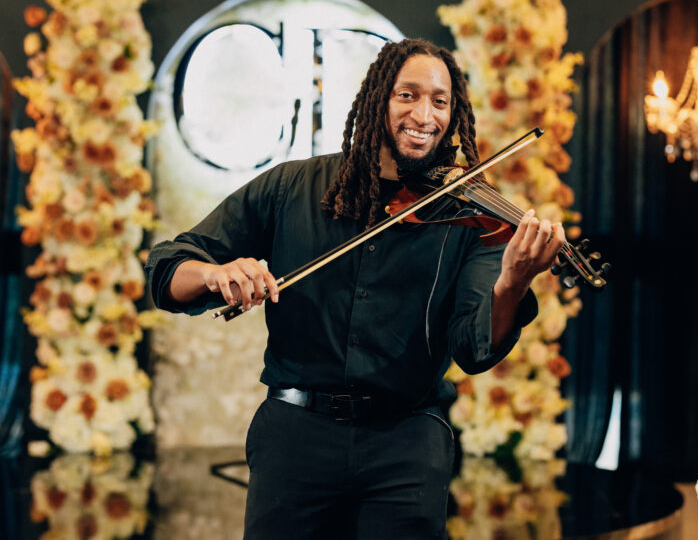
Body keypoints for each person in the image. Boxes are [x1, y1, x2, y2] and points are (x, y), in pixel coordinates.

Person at [145, 38, 563, 538]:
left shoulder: (470, 215)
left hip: (407, 443)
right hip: (295, 435)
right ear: (377, 99)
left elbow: (474, 347)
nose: (423, 114)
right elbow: (168, 267)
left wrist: (513, 283)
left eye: (439, 100)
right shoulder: (290, 187)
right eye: (407, 95)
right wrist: (214, 273)